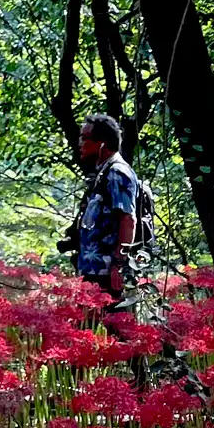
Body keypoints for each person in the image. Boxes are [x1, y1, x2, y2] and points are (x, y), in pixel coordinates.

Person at [64, 114, 142, 306]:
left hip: (108, 274)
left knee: (111, 329)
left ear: (102, 144)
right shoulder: (103, 173)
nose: (79, 143)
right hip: (94, 271)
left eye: (84, 138)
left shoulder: (117, 172)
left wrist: (119, 265)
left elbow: (127, 219)